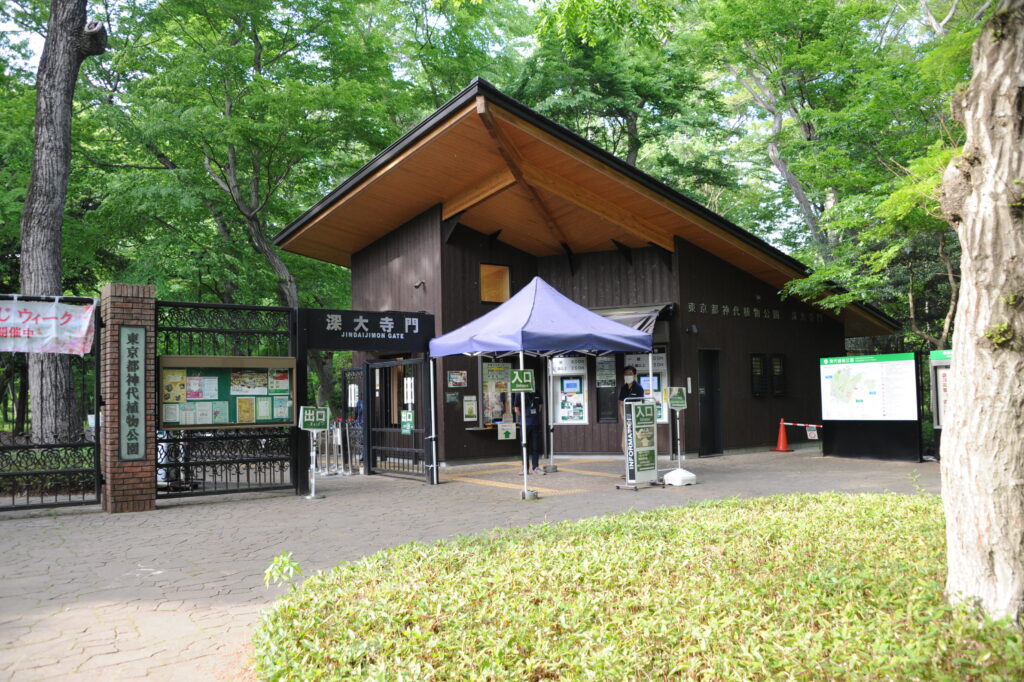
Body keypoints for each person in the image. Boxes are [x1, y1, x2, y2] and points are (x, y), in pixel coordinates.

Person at [512, 389, 545, 475]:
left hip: (536, 423)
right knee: (524, 446)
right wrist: (524, 417)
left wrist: (534, 416)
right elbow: (516, 409)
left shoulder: (537, 391)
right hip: (525, 424)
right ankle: (525, 468)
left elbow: (540, 406)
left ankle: (536, 467)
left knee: (536, 447)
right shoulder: (519, 393)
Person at [619, 365, 645, 454]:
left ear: (634, 375)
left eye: (630, 374)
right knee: (624, 444)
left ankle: (635, 464)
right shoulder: (623, 388)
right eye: (625, 374)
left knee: (636, 443)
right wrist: (623, 418)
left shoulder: (638, 388)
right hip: (627, 419)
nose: (627, 376)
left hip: (636, 419)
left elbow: (641, 405)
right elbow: (621, 404)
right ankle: (629, 464)